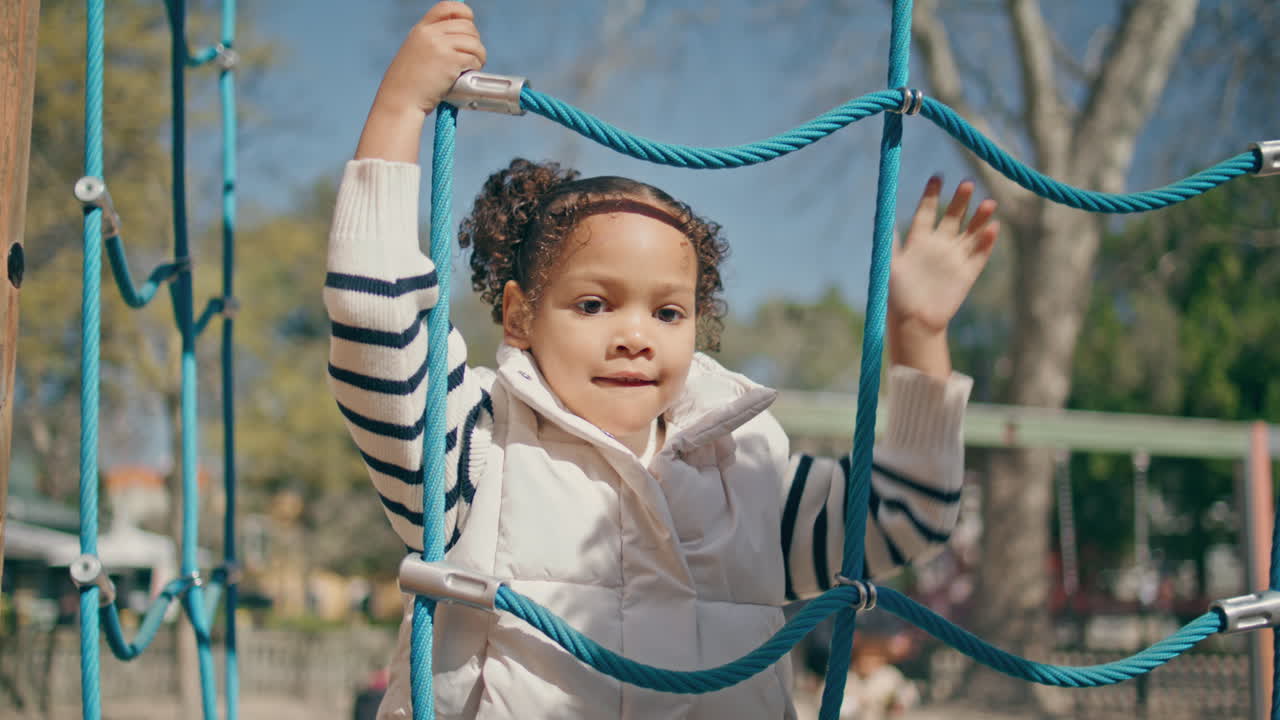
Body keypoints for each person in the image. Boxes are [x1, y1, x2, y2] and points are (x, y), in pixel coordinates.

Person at [324, 3, 998, 718]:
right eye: (594, 305)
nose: (635, 335)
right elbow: (377, 325)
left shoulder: (749, 470)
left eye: (668, 312)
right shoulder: (479, 445)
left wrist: (919, 334)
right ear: (520, 315)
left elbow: (906, 513)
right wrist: (400, 110)